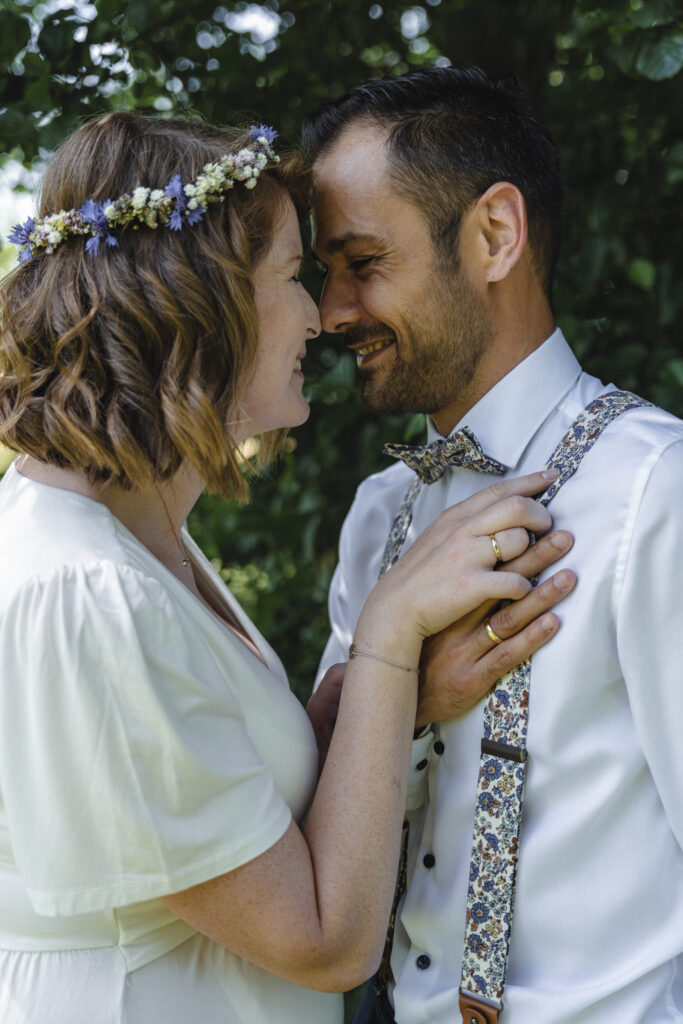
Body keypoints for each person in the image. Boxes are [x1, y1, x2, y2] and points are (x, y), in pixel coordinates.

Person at [0, 111, 574, 1024]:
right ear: (196, 300)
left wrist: (385, 707)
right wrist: (388, 635)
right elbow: (325, 945)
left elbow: (212, 807)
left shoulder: (134, 539)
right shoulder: (88, 588)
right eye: (292, 275)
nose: (320, 315)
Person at [306, 66, 683, 1024]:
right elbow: (322, 821)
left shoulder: (655, 490)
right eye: (323, 274)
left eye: (362, 262)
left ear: (493, 235)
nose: (331, 312)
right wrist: (403, 700)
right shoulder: (376, 516)